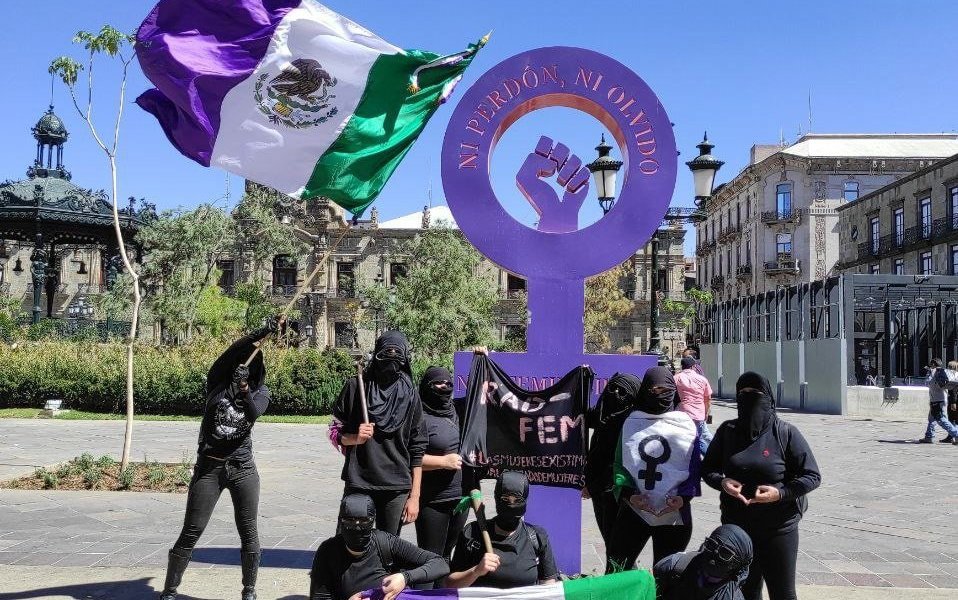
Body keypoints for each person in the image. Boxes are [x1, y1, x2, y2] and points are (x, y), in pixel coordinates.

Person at [159, 316, 282, 600]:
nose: (242, 370)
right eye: (238, 366)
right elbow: (232, 352)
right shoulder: (216, 382)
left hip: (242, 469)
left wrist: (245, 390)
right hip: (209, 468)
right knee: (192, 529)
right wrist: (260, 331)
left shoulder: (262, 392)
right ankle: (169, 590)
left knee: (248, 531)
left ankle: (249, 590)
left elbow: (254, 413)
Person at [702, 372, 821, 600]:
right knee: (747, 590)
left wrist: (780, 493)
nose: (748, 398)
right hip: (737, 526)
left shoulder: (785, 432)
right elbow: (708, 469)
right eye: (743, 393)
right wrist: (722, 482)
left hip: (779, 527)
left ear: (768, 398)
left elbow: (812, 475)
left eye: (755, 393)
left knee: (783, 593)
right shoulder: (728, 431)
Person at [607, 367, 701, 572]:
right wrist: (630, 495)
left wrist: (684, 498)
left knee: (667, 577)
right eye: (654, 390)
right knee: (617, 570)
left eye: (665, 390)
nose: (660, 395)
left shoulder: (686, 425)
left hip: (674, 514)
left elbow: (694, 467)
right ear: (645, 391)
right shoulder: (631, 422)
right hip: (634, 510)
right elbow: (620, 464)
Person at [333, 331, 427, 534]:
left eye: (397, 354)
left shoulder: (411, 395)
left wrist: (415, 497)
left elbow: (417, 447)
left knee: (387, 547)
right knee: (348, 542)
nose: (391, 359)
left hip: (396, 486)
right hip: (359, 482)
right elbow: (334, 432)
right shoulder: (356, 386)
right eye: (386, 353)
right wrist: (355, 438)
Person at [309, 493, 450, 600]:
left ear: (372, 522)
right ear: (341, 521)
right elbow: (319, 596)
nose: (357, 527)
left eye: (364, 521)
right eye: (350, 521)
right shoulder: (328, 551)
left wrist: (404, 578)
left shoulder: (385, 542)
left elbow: (440, 563)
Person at [446, 471, 559, 588]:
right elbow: (450, 584)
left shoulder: (537, 537)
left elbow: (549, 587)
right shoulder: (472, 533)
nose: (511, 505)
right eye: (505, 499)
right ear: (496, 498)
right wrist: (476, 571)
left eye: (517, 500)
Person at [584, 373, 642, 560]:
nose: (615, 394)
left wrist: (594, 486)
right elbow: (584, 414)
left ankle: (622, 575)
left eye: (623, 391)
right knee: (609, 541)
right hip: (598, 490)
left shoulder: (633, 424)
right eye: (613, 388)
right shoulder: (603, 416)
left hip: (619, 491)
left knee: (618, 547)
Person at [415, 366, 467, 562]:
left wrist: (482, 358)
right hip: (432, 500)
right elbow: (408, 458)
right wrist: (442, 462)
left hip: (460, 499)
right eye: (438, 383)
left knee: (447, 556)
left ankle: (444, 584)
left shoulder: (459, 409)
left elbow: (485, 393)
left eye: (448, 383)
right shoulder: (417, 416)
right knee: (431, 558)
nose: (444, 387)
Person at [654, 524, 754, 600]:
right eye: (712, 544)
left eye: (725, 553)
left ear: (737, 564)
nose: (715, 552)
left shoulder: (732, 597)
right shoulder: (675, 565)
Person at [675, 357, 714, 455]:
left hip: (684, 414)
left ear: (682, 366)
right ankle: (712, 459)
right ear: (693, 366)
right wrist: (706, 413)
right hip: (699, 414)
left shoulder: (676, 378)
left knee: (689, 441)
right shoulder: (702, 379)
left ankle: (709, 459)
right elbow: (708, 399)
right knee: (698, 439)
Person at [920, 358, 958, 444]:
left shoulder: (935, 372)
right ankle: (929, 436)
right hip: (939, 400)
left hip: (937, 400)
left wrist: (929, 373)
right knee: (931, 419)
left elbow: (928, 383)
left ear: (933, 364)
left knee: (942, 420)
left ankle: (956, 434)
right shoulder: (943, 372)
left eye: (931, 364)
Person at [948, 361, 958, 427]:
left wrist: (953, 402)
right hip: (953, 399)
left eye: (949, 366)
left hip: (954, 400)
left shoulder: (953, 376)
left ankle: (954, 432)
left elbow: (953, 390)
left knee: (953, 418)